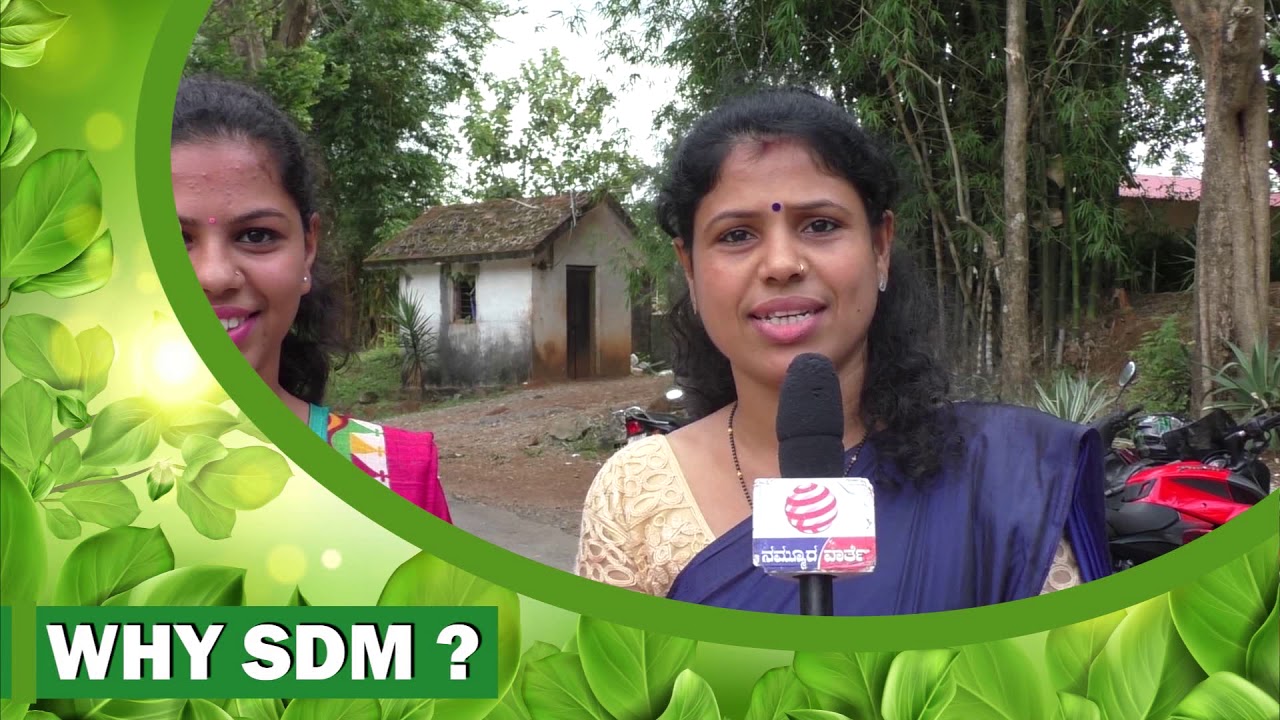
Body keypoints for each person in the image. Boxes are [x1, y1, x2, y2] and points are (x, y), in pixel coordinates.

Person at [574, 87, 1110, 614]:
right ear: (689, 268)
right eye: (737, 235)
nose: (781, 264)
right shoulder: (634, 495)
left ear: (880, 247)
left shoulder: (1007, 480)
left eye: (821, 225)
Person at [172, 76, 451, 523]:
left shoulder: (394, 477)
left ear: (308, 248)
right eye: (171, 239)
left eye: (256, 235)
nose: (214, 275)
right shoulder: (57, 484)